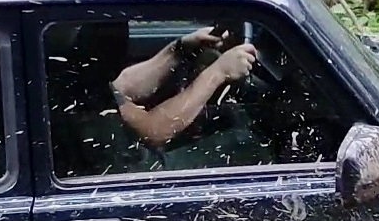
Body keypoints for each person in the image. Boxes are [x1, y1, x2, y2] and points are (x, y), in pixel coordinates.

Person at [110, 26, 269, 169]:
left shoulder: (92, 74)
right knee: (247, 145)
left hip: (125, 149)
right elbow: (153, 131)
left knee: (226, 115)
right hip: (135, 174)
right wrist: (219, 71)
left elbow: (123, 86)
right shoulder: (88, 87)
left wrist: (180, 49)